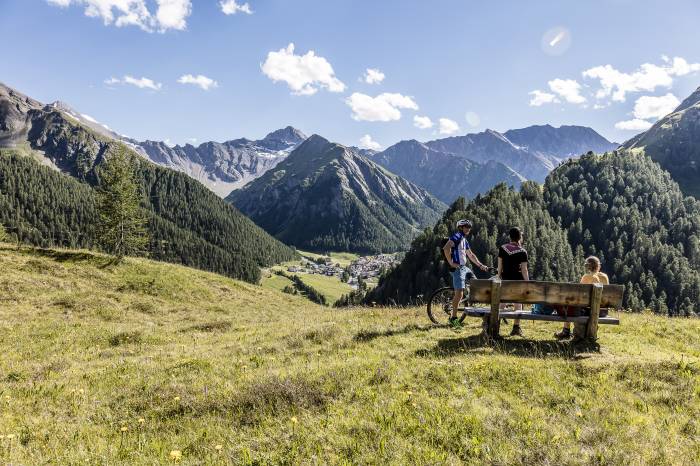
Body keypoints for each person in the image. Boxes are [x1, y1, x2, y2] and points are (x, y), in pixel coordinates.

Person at [442, 219, 489, 328]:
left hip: (464, 268)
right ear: (460, 228)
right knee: (459, 293)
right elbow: (446, 248)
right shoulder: (457, 236)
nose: (468, 229)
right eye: (466, 227)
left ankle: (471, 304)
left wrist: (481, 265)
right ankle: (453, 318)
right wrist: (451, 263)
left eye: (469, 227)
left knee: (476, 283)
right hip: (457, 268)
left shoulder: (464, 239)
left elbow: (471, 255)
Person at [555, 256, 609, 340]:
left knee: (569, 304)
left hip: (590, 310)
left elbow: (579, 296)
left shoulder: (586, 277)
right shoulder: (605, 277)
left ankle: (566, 331)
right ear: (598, 266)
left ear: (587, 267)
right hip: (602, 311)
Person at [498, 227, 529, 336]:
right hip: (518, 282)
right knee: (518, 303)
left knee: (502, 302)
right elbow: (524, 270)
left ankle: (496, 325)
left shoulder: (502, 248)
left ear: (510, 237)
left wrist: (499, 277)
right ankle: (516, 327)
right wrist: (527, 283)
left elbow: (500, 267)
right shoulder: (522, 251)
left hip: (505, 281)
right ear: (520, 237)